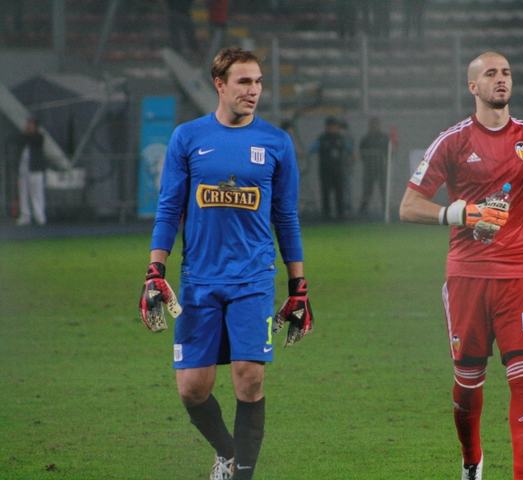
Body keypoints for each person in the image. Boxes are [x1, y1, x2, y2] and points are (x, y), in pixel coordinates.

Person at [138, 47, 314, 480]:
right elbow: (169, 209)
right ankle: (226, 452)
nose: (254, 90)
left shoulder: (276, 142)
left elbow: (286, 218)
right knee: (192, 390)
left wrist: (298, 285)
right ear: (219, 84)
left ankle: (242, 475)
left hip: (253, 279)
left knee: (248, 377)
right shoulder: (187, 138)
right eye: (244, 82)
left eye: (258, 82)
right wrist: (155, 270)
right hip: (199, 281)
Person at [398, 51, 523, 480]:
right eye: (491, 73)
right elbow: (408, 206)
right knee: (467, 383)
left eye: (506, 73)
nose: (501, 79)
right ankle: (471, 461)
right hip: (468, 277)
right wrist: (456, 213)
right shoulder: (452, 141)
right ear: (472, 87)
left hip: (521, 274)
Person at [308, 116, 349, 220]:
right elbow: (312, 149)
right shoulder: (322, 139)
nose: (333, 128)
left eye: (335, 126)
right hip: (325, 170)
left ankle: (340, 213)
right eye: (331, 126)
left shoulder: (341, 138)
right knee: (326, 192)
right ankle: (326, 213)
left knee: (339, 192)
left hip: (338, 170)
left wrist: (353, 154)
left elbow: (349, 148)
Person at [14, 117, 47, 226]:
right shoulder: (23, 136)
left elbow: (34, 140)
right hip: (24, 168)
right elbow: (19, 141)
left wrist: (29, 132)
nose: (29, 126)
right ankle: (25, 216)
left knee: (37, 193)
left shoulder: (39, 136)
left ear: (35, 126)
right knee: (23, 193)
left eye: (31, 124)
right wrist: (25, 132)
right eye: (28, 123)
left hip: (35, 168)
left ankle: (39, 216)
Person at [358, 116, 389, 217]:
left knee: (384, 190)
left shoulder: (384, 138)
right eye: (373, 124)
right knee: (367, 190)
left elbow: (390, 152)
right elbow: (361, 152)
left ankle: (386, 210)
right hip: (369, 169)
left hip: (381, 168)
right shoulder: (366, 139)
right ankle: (363, 211)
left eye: (376, 124)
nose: (374, 126)